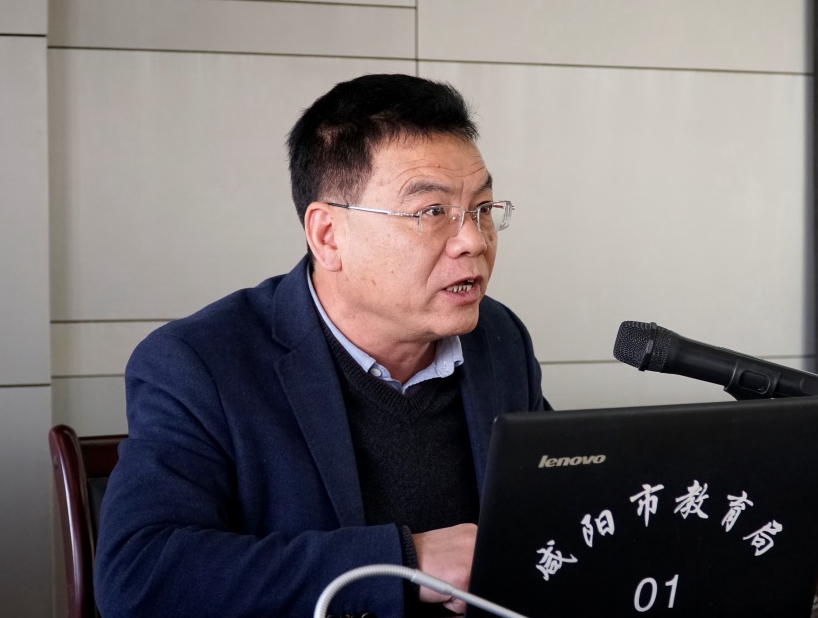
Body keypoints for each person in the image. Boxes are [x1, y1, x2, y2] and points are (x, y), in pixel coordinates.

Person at [94, 73, 548, 618]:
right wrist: (406, 561)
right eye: (432, 212)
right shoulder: (199, 364)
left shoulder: (497, 338)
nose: (473, 240)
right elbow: (139, 577)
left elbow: (554, 507)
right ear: (328, 235)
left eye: (482, 209)